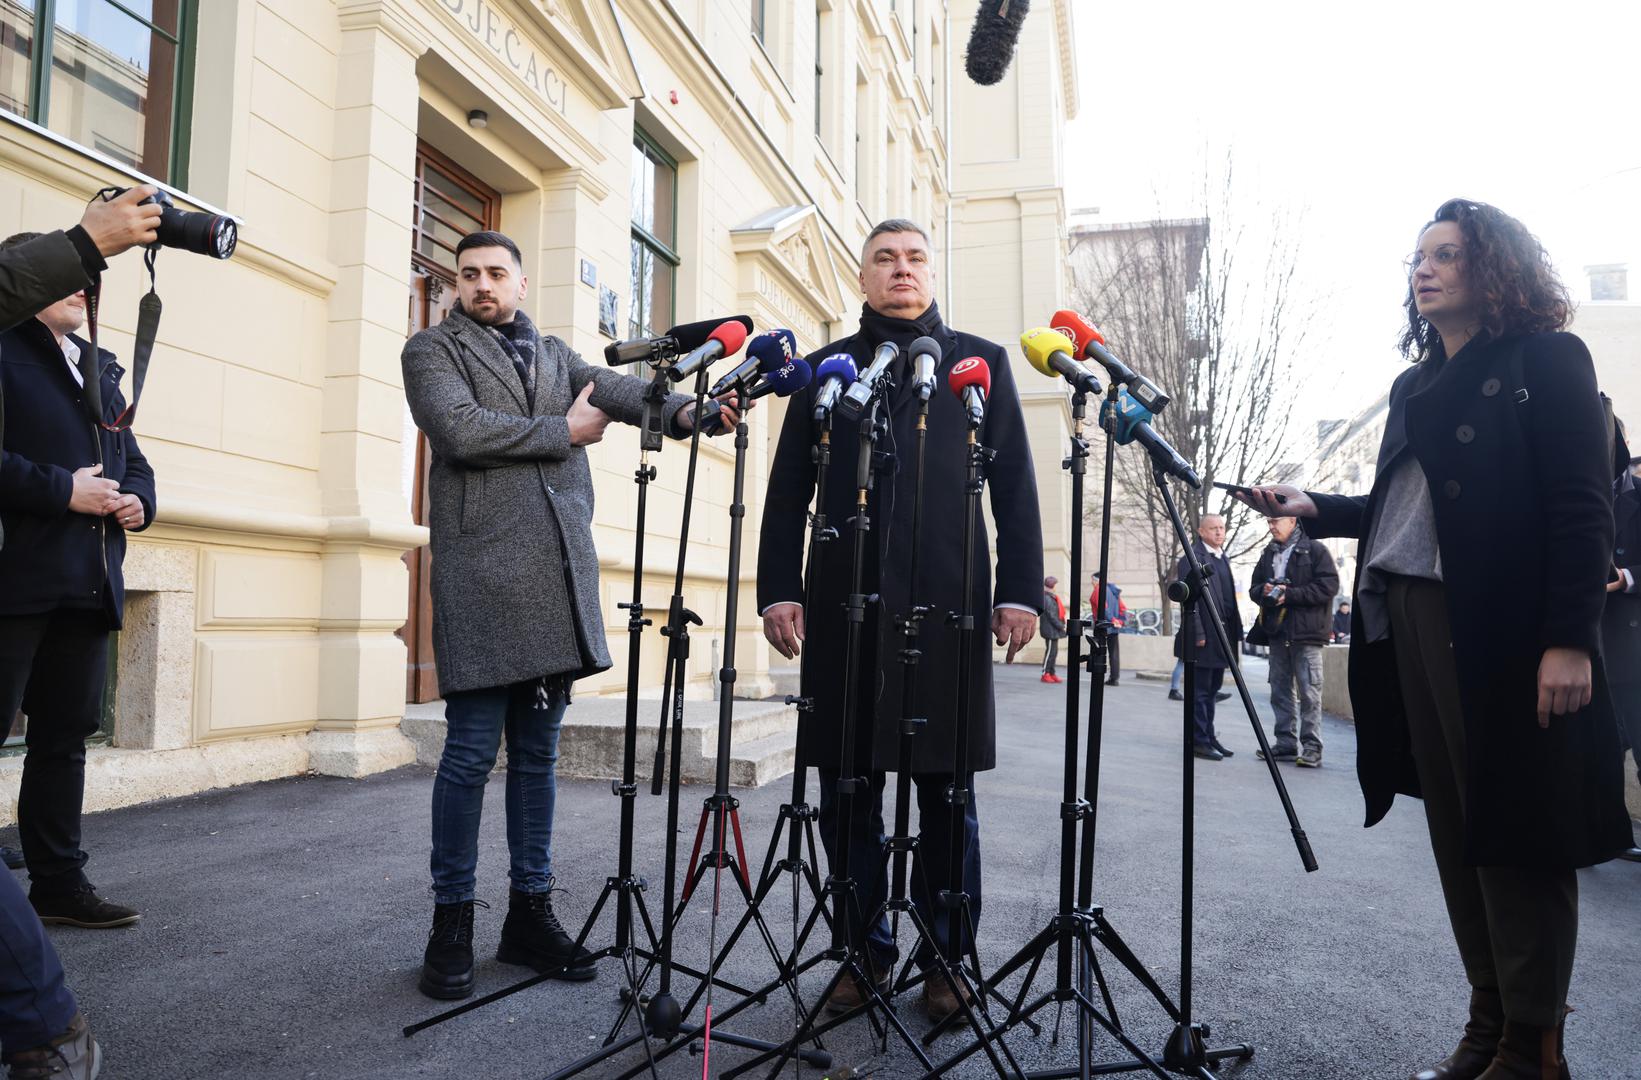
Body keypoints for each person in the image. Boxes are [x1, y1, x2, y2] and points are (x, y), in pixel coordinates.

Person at [1237, 198, 1633, 1080]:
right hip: (1407, 618)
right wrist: (1317, 509)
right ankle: (1487, 1026)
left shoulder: (1547, 358)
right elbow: (1401, 509)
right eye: (1418, 256)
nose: (1425, 270)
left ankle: (1534, 1047)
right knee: (1459, 830)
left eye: (1447, 254)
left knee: (1516, 828)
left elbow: (1582, 507)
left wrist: (1567, 639)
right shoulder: (1417, 384)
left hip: (1500, 625)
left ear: (1495, 269)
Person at [400, 230, 740, 1001]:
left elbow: (624, 396)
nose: (481, 284)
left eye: (495, 273)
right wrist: (565, 433)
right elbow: (459, 429)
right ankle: (450, 922)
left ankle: (530, 915)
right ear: (456, 285)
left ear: (521, 282)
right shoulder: (432, 350)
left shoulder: (557, 357)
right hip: (482, 578)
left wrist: (695, 413)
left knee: (537, 759)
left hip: (556, 581)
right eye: (468, 275)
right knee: (468, 755)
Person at [758, 218, 1042, 1021]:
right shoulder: (825, 369)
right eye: (884, 259)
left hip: (950, 603)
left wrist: (1019, 590)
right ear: (862, 278)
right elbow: (787, 492)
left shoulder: (976, 364)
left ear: (931, 271)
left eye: (914, 258)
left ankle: (946, 959)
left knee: (947, 792)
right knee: (847, 788)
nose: (900, 270)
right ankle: (859, 954)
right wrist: (780, 588)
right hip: (844, 602)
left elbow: (1015, 484)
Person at [0, 186, 163, 1079]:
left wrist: (140, 502)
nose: (81, 287)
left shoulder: (99, 363)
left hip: (89, 578)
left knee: (63, 743)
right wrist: (60, 489)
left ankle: (59, 885)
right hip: (16, 576)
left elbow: (134, 456)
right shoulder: (1, 343)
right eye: (64, 274)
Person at [1248, 517, 1339, 767]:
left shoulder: (1315, 550)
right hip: (1278, 633)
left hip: (1307, 635)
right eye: (1268, 521)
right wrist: (1264, 591)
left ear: (1292, 520)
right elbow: (1254, 588)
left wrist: (1290, 594)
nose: (1271, 526)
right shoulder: (1268, 553)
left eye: (1276, 521)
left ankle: (1312, 747)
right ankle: (1285, 744)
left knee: (1310, 693)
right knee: (1279, 690)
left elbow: (1329, 586)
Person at [1601, 419, 1641, 862]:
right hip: (1589, 643)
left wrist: (1625, 577)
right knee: (1602, 750)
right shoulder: (1573, 493)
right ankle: (1610, 834)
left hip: (1633, 643)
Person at [1173, 514, 1243, 760]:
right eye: (1213, 528)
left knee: (1212, 690)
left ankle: (1209, 736)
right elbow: (1189, 602)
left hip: (1222, 636)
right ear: (1201, 531)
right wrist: (1199, 634)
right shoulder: (1191, 559)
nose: (1219, 532)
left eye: (1222, 527)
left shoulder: (1222, 558)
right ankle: (1199, 741)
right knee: (1200, 692)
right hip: (1203, 638)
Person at [1089, 573, 1127, 686]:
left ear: (1097, 580)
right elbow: (1123, 608)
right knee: (1113, 654)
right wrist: (1119, 621)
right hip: (1114, 627)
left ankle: (1097, 676)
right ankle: (1114, 678)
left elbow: (1103, 609)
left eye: (1092, 580)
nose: (1091, 583)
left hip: (1103, 626)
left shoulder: (1098, 590)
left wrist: (1112, 620)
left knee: (1098, 651)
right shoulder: (1113, 591)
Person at [1040, 576, 1066, 683]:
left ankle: (1052, 673)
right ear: (1052, 586)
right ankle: (1045, 673)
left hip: (1053, 630)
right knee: (1050, 652)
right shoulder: (1047, 597)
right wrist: (1061, 626)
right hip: (1050, 630)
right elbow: (1052, 616)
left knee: (1054, 652)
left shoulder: (1050, 597)